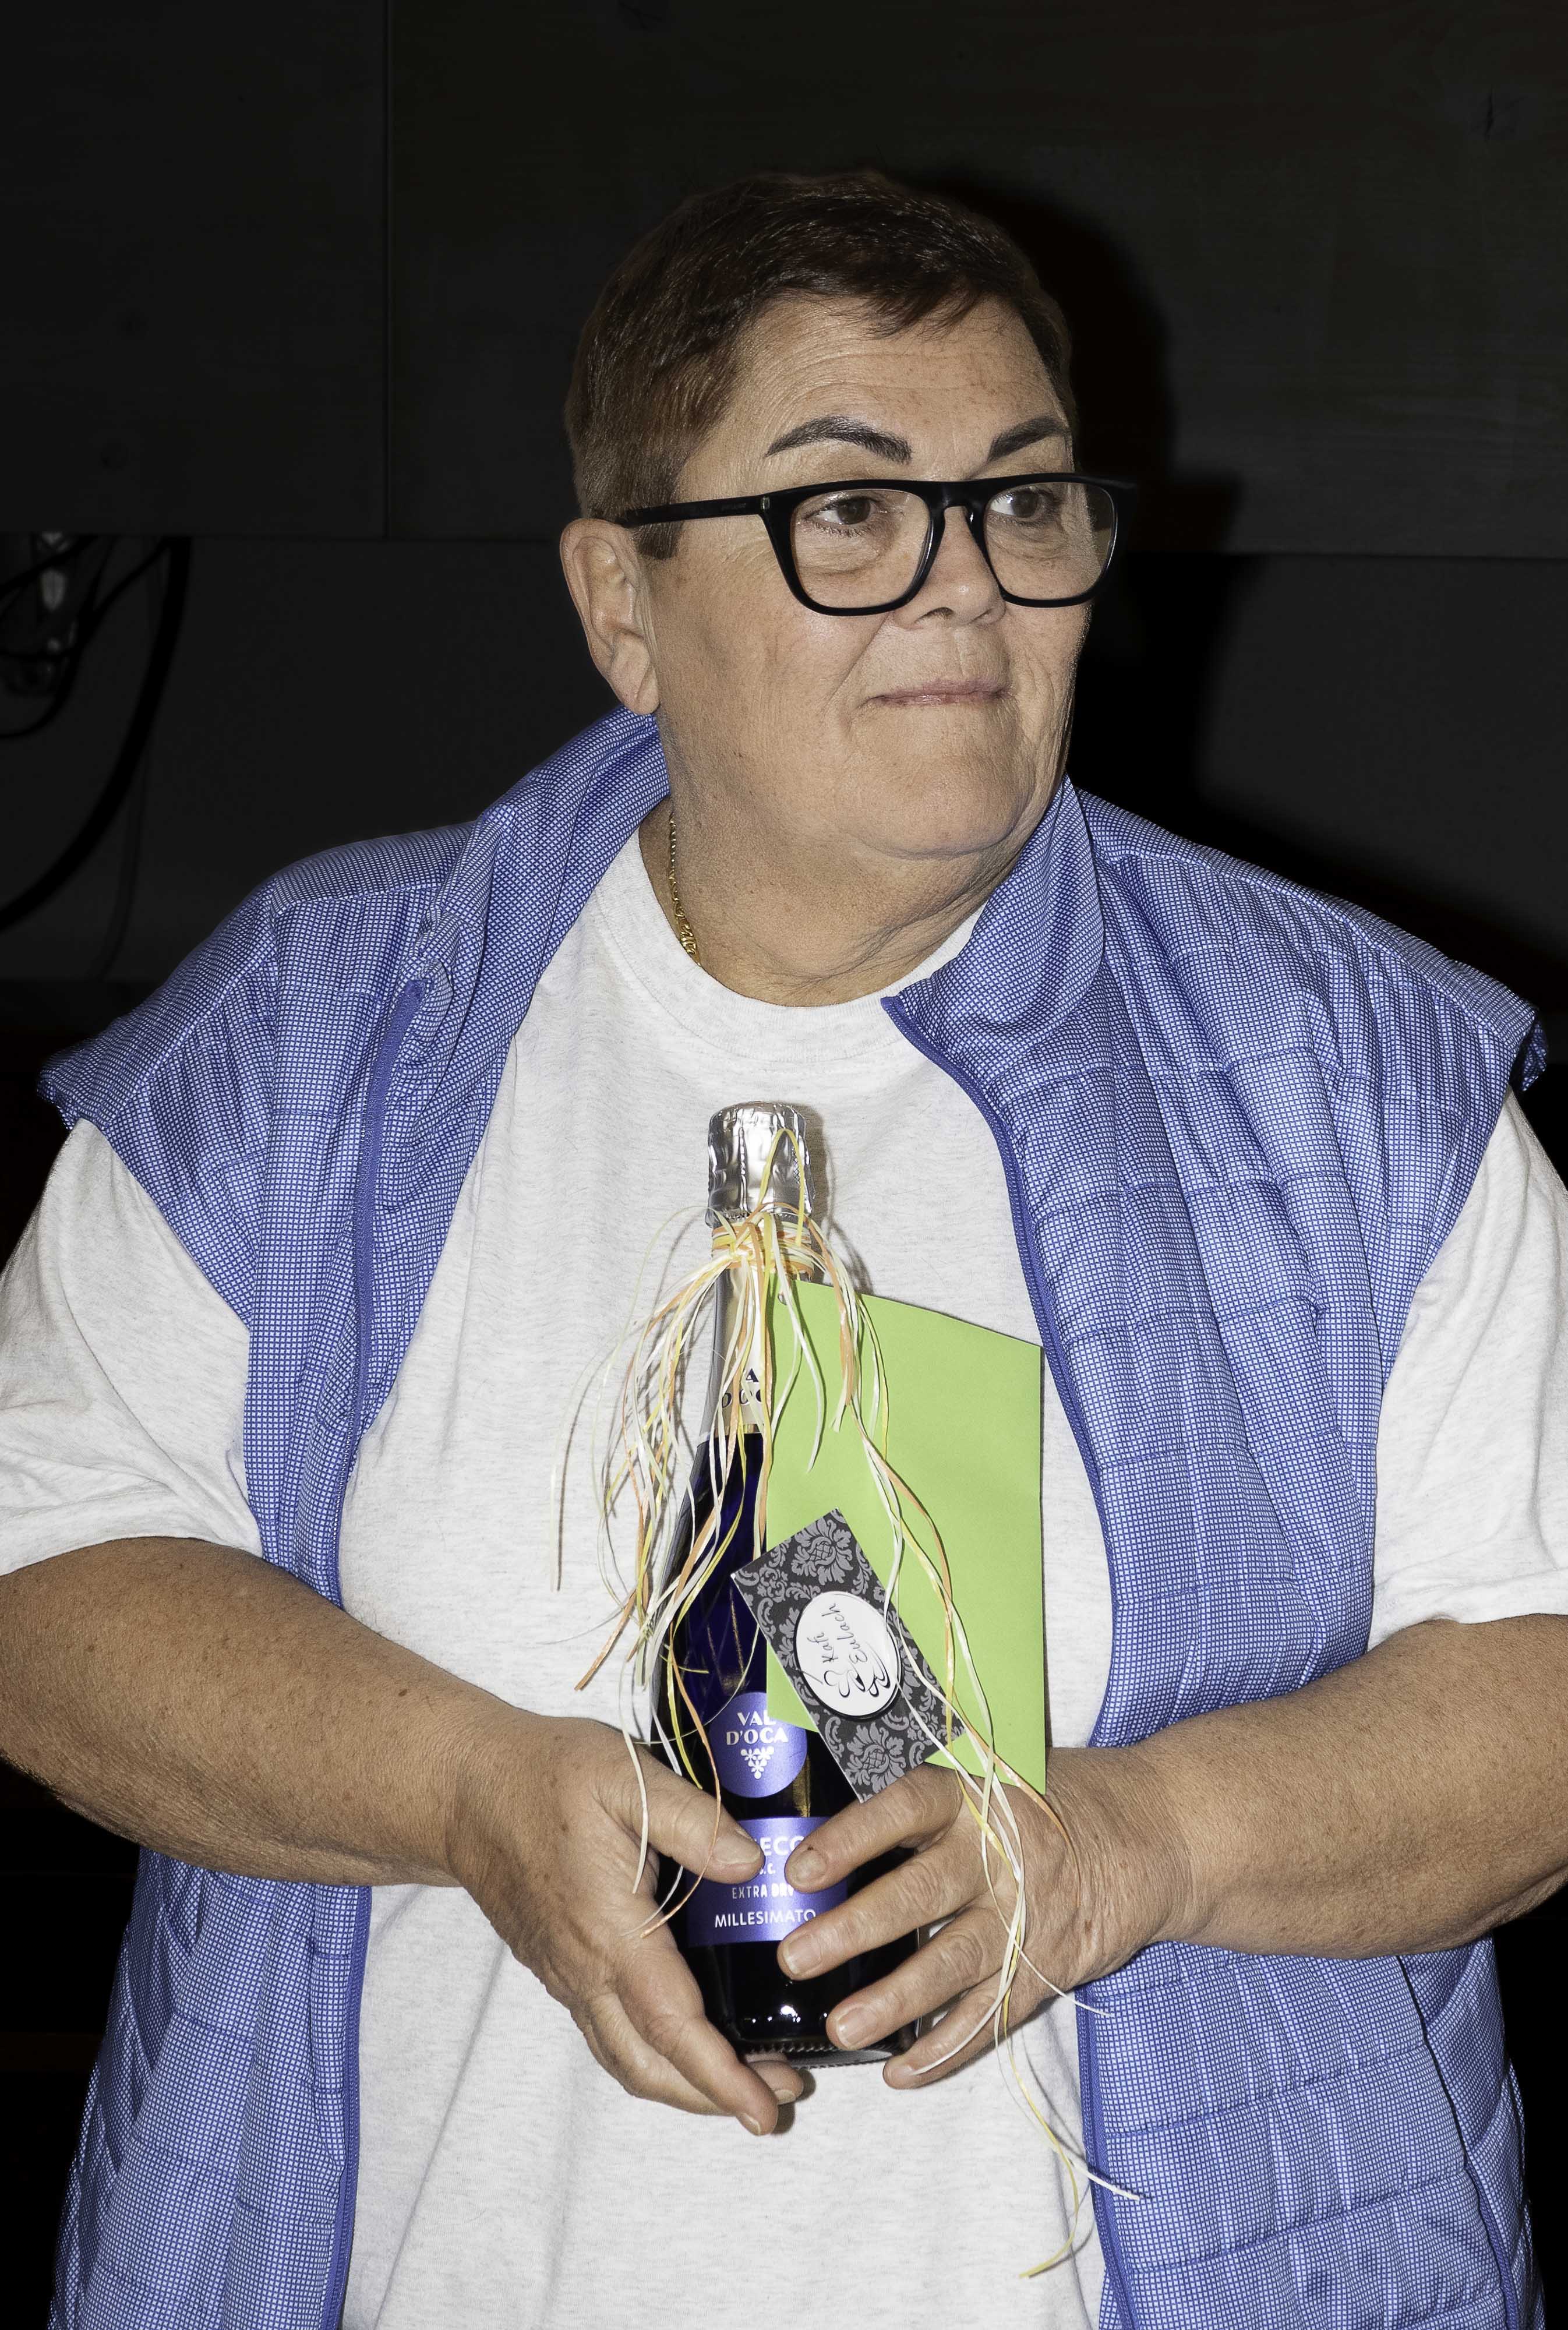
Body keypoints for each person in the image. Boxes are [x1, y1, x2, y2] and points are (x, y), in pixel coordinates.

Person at [0, 170, 1563, 2330]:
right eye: (847, 510)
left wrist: (1130, 1846)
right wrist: (460, 1794)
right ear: (621, 603)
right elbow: (45, 1579)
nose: (964, 585)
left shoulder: (1352, 1075)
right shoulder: (313, 1034)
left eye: (1022, 502)